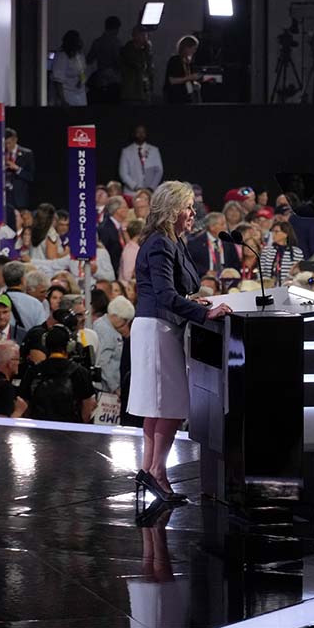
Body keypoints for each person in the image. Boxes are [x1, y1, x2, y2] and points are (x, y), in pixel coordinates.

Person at [130, 181, 232, 506]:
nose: (192, 213)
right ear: (173, 210)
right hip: (157, 329)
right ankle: (157, 472)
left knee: (158, 405)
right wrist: (205, 313)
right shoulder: (160, 243)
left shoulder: (172, 241)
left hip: (161, 328)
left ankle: (149, 470)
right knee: (170, 406)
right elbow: (164, 295)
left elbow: (178, 291)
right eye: (188, 207)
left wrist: (196, 303)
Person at [19, 325, 96, 423]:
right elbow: (88, 406)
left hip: (39, 430)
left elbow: (23, 404)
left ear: (44, 344)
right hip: (71, 431)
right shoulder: (80, 372)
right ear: (69, 346)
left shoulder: (33, 371)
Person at [86, 15, 122, 103]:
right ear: (116, 28)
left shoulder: (97, 42)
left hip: (100, 79)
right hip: (113, 80)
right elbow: (118, 61)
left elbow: (89, 60)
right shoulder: (116, 43)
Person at [118, 124, 164, 192]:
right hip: (132, 193)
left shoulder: (154, 150)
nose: (141, 134)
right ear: (134, 134)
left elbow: (159, 171)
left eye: (143, 132)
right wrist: (136, 187)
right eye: (138, 132)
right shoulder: (126, 151)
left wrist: (151, 188)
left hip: (150, 192)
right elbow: (123, 173)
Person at [50, 29, 88, 107]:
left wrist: (81, 80)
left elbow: (82, 70)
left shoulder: (79, 54)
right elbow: (58, 80)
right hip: (67, 93)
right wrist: (63, 101)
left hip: (80, 93)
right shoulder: (62, 56)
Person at [120, 24, 155, 102]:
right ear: (135, 36)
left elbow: (149, 69)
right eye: (142, 34)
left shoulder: (145, 51)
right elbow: (138, 65)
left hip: (144, 90)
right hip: (131, 92)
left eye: (146, 35)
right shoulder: (128, 50)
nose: (145, 37)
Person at [163, 35, 202, 105]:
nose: (194, 51)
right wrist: (190, 77)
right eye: (193, 49)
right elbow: (172, 81)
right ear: (186, 48)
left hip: (187, 97)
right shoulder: (175, 60)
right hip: (176, 98)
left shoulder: (189, 63)